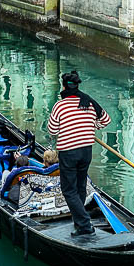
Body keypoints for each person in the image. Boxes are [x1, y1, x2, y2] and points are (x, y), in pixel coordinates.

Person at [46, 70, 110, 236]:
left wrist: (70, 127)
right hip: (86, 151)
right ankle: (79, 221)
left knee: (68, 190)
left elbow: (52, 129)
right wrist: (89, 126)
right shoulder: (88, 102)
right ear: (78, 85)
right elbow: (105, 120)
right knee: (80, 186)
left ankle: (84, 225)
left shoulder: (60, 105)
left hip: (68, 152)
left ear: (64, 86)